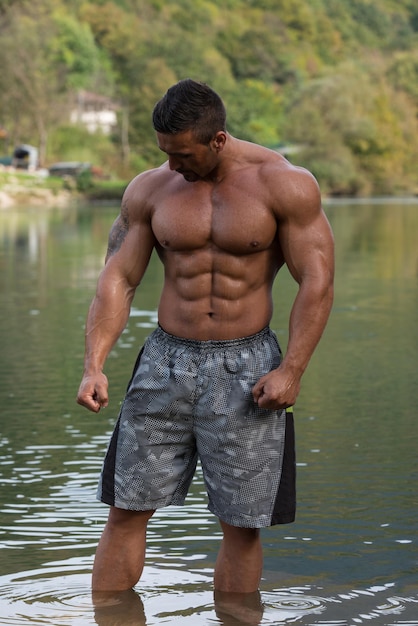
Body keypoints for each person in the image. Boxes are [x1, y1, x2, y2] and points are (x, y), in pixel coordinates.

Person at [76, 79, 334, 594]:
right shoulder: (150, 189)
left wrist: (293, 370)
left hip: (248, 368)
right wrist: (94, 364)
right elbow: (118, 277)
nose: (173, 166)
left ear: (217, 139)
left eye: (182, 154)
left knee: (241, 526)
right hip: (164, 364)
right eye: (164, 153)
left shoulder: (286, 184)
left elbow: (317, 279)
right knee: (125, 509)